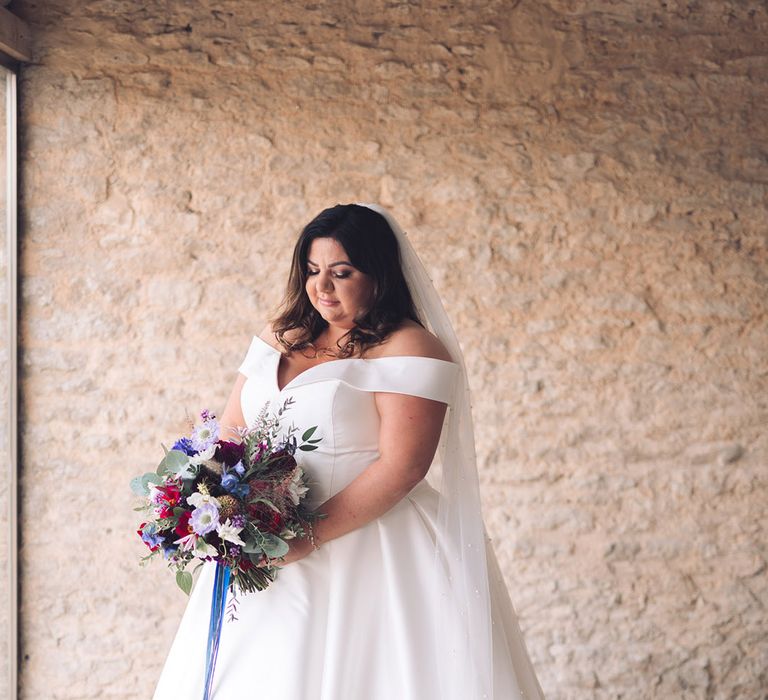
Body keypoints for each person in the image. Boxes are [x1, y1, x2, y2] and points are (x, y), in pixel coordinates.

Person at [152, 203, 545, 699]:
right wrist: (208, 504)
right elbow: (232, 435)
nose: (322, 287)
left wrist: (307, 538)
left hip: (370, 543)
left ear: (378, 274)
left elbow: (403, 466)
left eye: (342, 272)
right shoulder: (279, 337)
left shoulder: (410, 348)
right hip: (263, 540)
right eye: (313, 271)